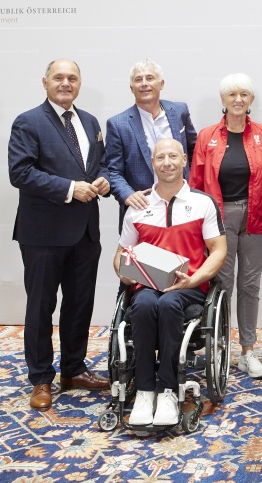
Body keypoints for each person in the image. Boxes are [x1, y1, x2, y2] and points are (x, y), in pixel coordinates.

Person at [8, 59, 111, 411]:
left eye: (72, 78)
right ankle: (40, 378)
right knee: (41, 306)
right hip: (43, 233)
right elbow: (20, 172)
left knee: (80, 303)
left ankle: (73, 369)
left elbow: (100, 165)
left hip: (85, 232)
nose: (65, 83)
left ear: (79, 83)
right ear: (45, 82)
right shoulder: (28, 121)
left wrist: (104, 180)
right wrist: (70, 188)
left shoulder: (90, 122)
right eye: (59, 77)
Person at [114, 138, 226, 426]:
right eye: (160, 157)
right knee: (143, 305)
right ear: (152, 163)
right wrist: (123, 272)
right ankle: (143, 390)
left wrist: (196, 279)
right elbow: (120, 255)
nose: (167, 162)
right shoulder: (138, 205)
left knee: (169, 303)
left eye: (173, 156)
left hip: (188, 287)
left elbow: (219, 250)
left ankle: (166, 390)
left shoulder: (202, 203)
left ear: (184, 160)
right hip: (146, 285)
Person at [189, 73, 262, 379]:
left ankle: (248, 352)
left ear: (251, 100)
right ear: (223, 100)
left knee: (250, 285)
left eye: (244, 94)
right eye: (232, 95)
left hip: (257, 215)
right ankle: (220, 347)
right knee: (223, 284)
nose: (238, 100)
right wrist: (194, 224)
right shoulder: (206, 136)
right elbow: (196, 182)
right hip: (219, 217)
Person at [106, 59, 197, 230]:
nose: (144, 84)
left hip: (184, 205)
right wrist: (128, 194)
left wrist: (192, 187)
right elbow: (113, 170)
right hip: (143, 208)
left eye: (150, 78)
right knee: (143, 256)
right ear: (131, 87)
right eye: (138, 79)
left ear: (161, 84)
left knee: (185, 254)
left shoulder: (179, 112)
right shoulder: (118, 124)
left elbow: (194, 151)